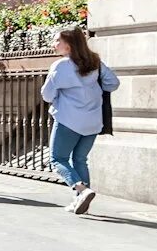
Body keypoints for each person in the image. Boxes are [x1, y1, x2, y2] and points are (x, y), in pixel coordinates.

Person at [41, 25, 120, 214]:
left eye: (58, 40)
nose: (55, 44)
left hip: (68, 119)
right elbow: (113, 83)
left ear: (69, 44)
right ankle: (80, 202)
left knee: (57, 158)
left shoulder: (61, 66)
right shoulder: (94, 62)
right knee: (80, 159)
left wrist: (64, 93)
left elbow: (47, 94)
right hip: (93, 120)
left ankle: (82, 190)